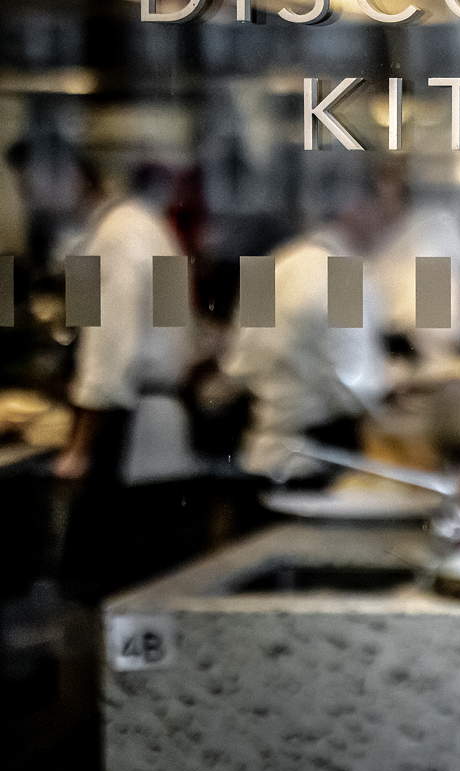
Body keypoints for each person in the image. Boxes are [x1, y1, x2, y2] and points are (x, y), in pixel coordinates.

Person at [54, 161, 198, 600]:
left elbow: (108, 354)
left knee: (105, 594)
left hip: (128, 432)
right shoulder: (147, 226)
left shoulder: (115, 235)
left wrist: (78, 446)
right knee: (149, 591)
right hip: (164, 425)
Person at [224, 162, 406, 483]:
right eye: (380, 206)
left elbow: (238, 365)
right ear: (354, 206)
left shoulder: (272, 265)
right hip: (317, 465)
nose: (387, 221)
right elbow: (359, 385)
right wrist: (405, 379)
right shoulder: (344, 276)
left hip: (260, 456)